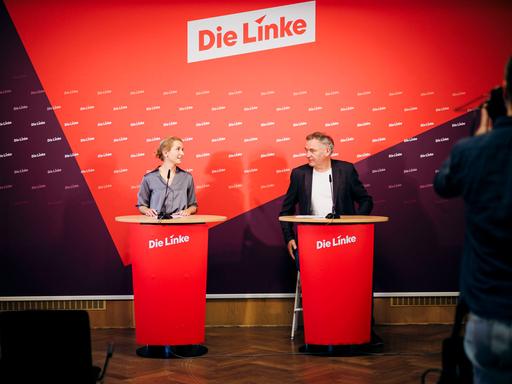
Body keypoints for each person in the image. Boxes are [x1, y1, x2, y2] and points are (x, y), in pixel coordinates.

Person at [433, 57, 512, 384]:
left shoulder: (473, 151)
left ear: (505, 92)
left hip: (490, 311)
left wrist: (477, 136)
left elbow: (444, 184)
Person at [279, 131, 373, 262]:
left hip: (344, 238)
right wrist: (289, 238)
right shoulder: (299, 174)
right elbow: (286, 210)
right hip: (311, 238)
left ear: (327, 151)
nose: (307, 155)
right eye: (306, 150)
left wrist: (355, 224)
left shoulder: (346, 170)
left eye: (312, 151)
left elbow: (366, 200)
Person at [137, 136, 197, 217]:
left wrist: (188, 211)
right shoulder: (149, 178)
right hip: (157, 226)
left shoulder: (187, 177)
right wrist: (147, 210)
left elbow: (193, 205)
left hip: (181, 225)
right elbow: (141, 205)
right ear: (166, 153)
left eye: (182, 150)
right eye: (178, 149)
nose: (182, 153)